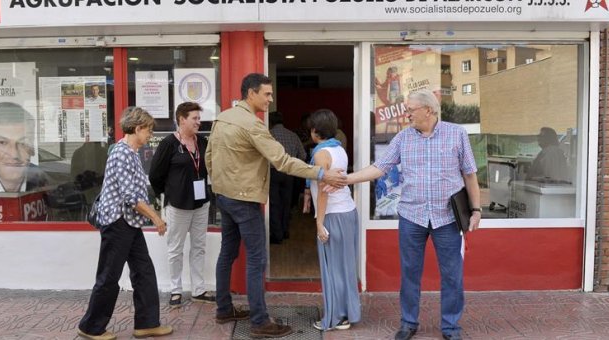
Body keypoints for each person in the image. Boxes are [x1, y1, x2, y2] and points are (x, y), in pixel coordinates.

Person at [205, 73, 347, 339]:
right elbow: (282, 161)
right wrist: (320, 173)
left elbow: (209, 156)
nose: (270, 99)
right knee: (257, 259)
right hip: (245, 199)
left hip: (224, 195)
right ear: (251, 94)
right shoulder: (253, 125)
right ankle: (260, 322)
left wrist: (220, 186)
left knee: (227, 253)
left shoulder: (222, 117)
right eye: (267, 94)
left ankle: (223, 309)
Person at [343, 89, 481, 340]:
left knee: (452, 275)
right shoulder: (403, 138)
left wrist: (476, 210)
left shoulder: (456, 134)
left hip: (447, 218)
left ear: (428, 110)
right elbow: (379, 167)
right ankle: (408, 322)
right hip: (412, 216)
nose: (407, 115)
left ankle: (450, 327)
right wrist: (347, 179)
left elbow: (469, 175)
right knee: (410, 273)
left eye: (410, 110)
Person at [78, 107, 173, 340]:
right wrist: (156, 217)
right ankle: (91, 327)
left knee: (144, 272)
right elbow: (131, 197)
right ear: (137, 128)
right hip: (117, 223)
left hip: (129, 224)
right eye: (148, 130)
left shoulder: (131, 153)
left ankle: (147, 323)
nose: (150, 135)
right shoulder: (121, 153)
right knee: (109, 276)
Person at [149, 102, 216, 307]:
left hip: (201, 203)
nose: (199, 121)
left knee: (199, 246)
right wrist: (169, 193)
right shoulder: (169, 143)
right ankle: (175, 290)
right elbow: (155, 175)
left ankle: (198, 290)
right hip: (178, 205)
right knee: (175, 248)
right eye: (195, 118)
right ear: (182, 119)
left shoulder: (203, 142)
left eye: (199, 118)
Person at [302, 109, 361, 332]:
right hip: (348, 211)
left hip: (333, 215)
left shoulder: (320, 154)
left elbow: (324, 191)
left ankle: (336, 317)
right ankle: (348, 313)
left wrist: (319, 223)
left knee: (332, 267)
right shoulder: (339, 149)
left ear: (315, 131)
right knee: (345, 266)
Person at [268, 110, 306, 244]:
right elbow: (303, 156)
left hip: (273, 172)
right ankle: (285, 231)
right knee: (286, 203)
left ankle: (277, 234)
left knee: (274, 204)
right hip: (289, 173)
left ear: (270, 122)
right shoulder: (293, 135)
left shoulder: (268, 135)